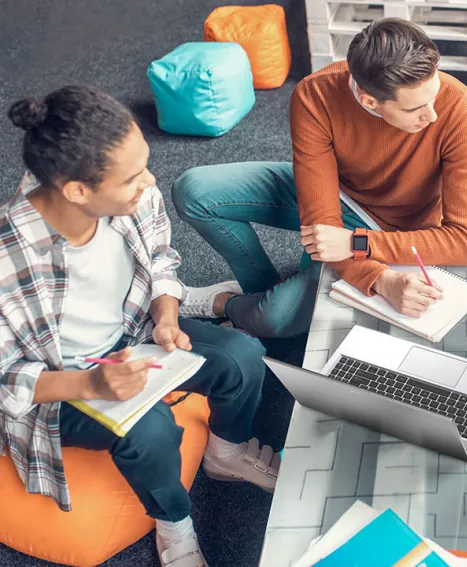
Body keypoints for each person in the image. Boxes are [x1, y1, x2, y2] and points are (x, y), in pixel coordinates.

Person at [0, 86, 280, 567]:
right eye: (132, 177)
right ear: (78, 191)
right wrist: (91, 382)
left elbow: (160, 258)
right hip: (60, 385)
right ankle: (174, 525)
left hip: (129, 339)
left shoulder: (133, 199)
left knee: (243, 357)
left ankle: (224, 453)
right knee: (150, 430)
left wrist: (167, 316)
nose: (150, 181)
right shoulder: (8, 258)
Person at [173, 18, 467, 337]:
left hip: (392, 232)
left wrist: (366, 258)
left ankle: (228, 305)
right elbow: (322, 222)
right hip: (332, 198)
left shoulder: (459, 108)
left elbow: (464, 241)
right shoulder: (315, 95)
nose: (432, 116)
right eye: (415, 109)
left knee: (273, 319)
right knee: (194, 192)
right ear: (369, 101)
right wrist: (364, 268)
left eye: (433, 96)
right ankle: (261, 290)